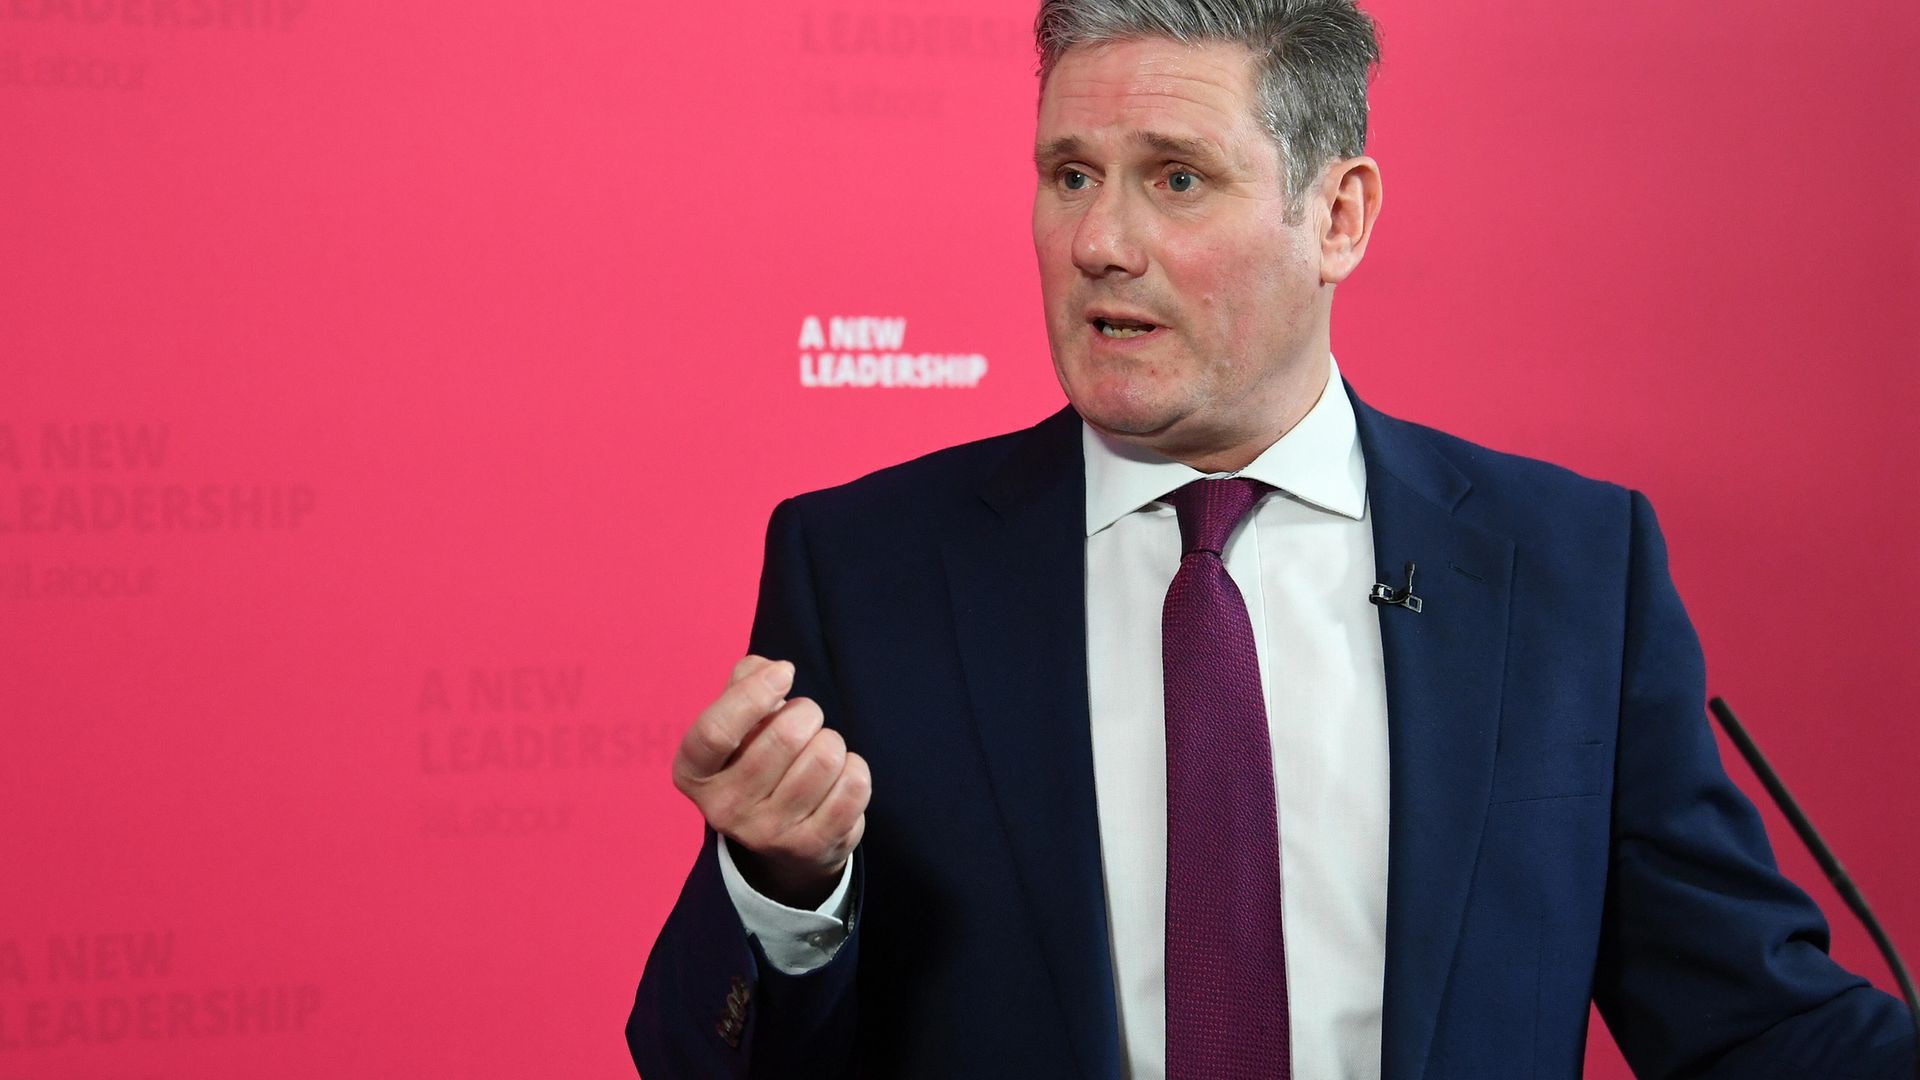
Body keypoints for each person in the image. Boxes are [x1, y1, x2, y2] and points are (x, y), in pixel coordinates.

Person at [626, 2, 1918, 1077]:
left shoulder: (1566, 570)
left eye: (1175, 178)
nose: (1099, 243)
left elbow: (1751, 1022)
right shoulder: (866, 570)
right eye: (1070, 174)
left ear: (1338, 216)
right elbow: (705, 1058)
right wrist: (784, 888)